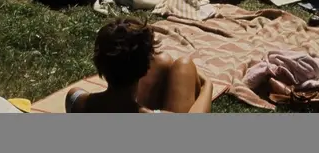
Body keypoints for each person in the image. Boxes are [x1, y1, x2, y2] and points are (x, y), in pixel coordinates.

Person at [64, 19, 212, 114]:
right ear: (145, 69)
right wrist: (208, 86)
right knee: (184, 65)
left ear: (99, 64)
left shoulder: (76, 100)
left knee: (165, 61)